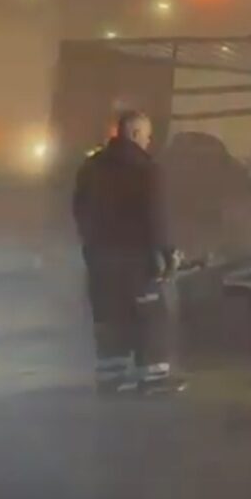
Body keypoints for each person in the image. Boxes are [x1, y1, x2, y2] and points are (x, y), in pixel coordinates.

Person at [73, 110, 186, 396]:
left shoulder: (91, 167)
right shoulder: (147, 170)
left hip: (100, 259)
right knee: (150, 317)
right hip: (137, 260)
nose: (149, 142)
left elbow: (79, 209)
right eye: (147, 136)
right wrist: (168, 252)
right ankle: (154, 377)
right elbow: (156, 216)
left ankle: (111, 377)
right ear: (135, 134)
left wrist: (91, 244)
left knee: (109, 317)